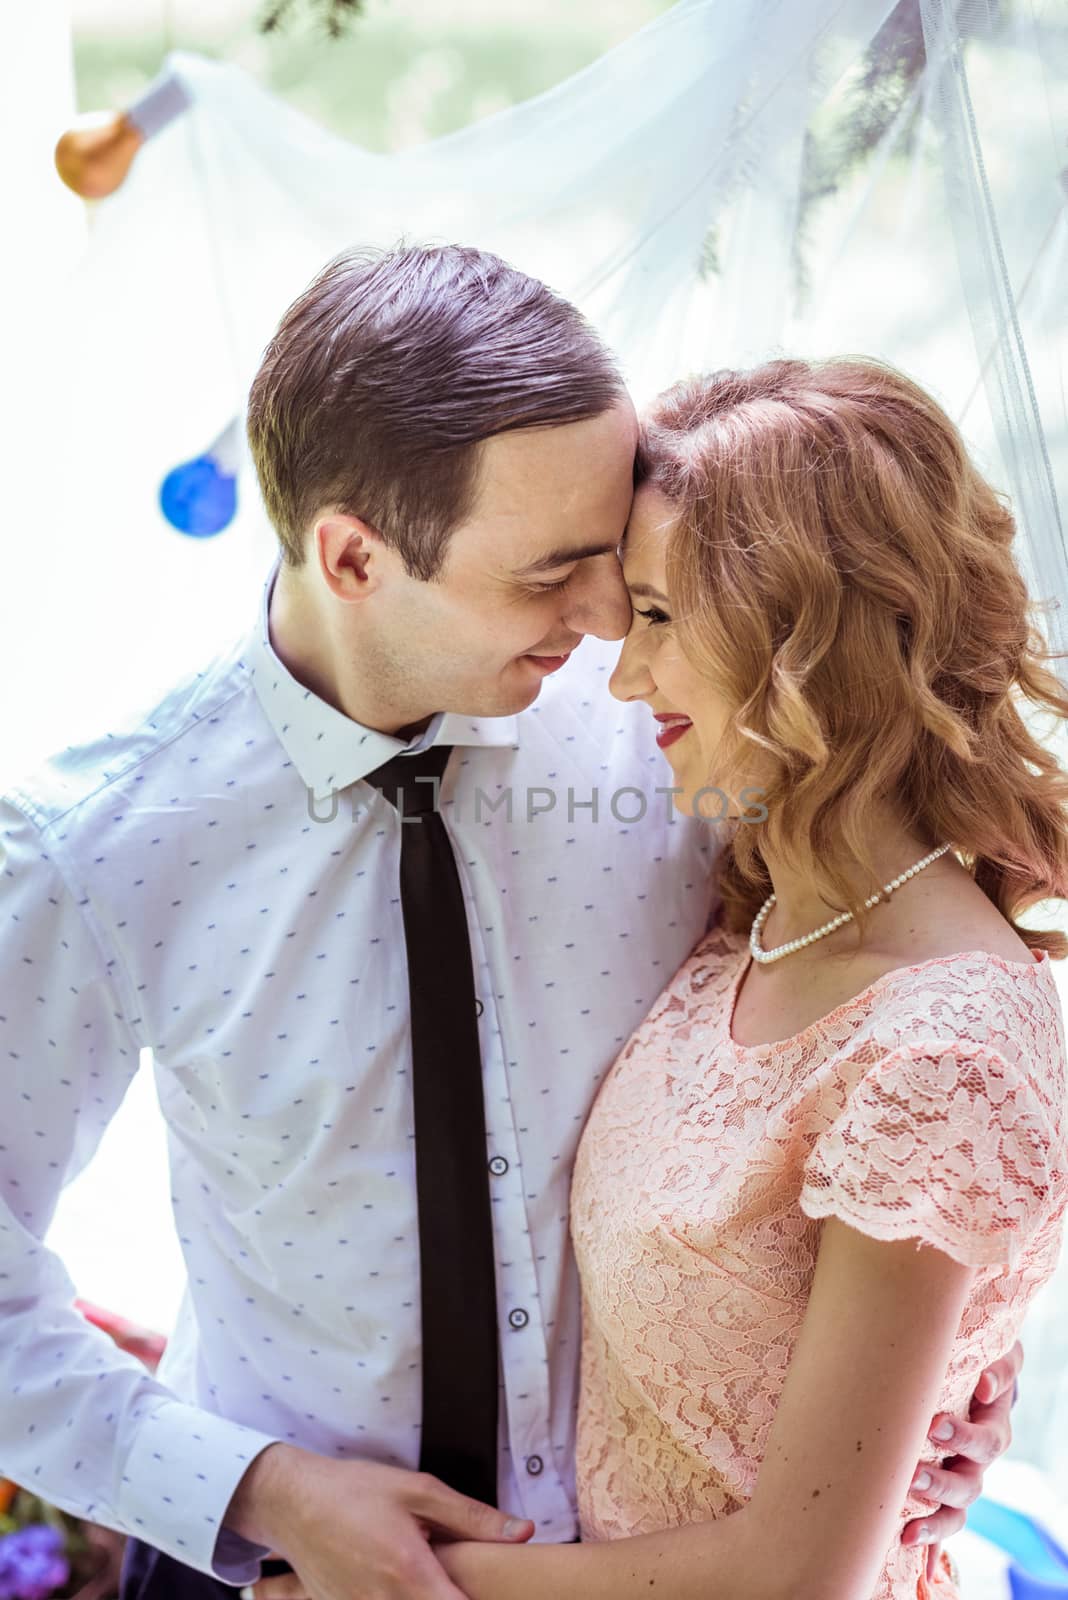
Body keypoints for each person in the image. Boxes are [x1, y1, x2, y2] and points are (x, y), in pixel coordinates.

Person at [0, 250, 1019, 1600]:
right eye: (553, 575)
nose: (604, 618)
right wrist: (257, 1493)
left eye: (614, 562)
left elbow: (881, 1033)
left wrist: (935, 1384)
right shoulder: (102, 845)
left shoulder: (678, 723)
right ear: (354, 556)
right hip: (278, 1576)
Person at [425, 358, 1068, 1600]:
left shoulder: (945, 1049)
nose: (621, 678)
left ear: (802, 631)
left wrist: (400, 1582)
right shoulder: (758, 903)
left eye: (658, 617)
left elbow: (794, 1575)